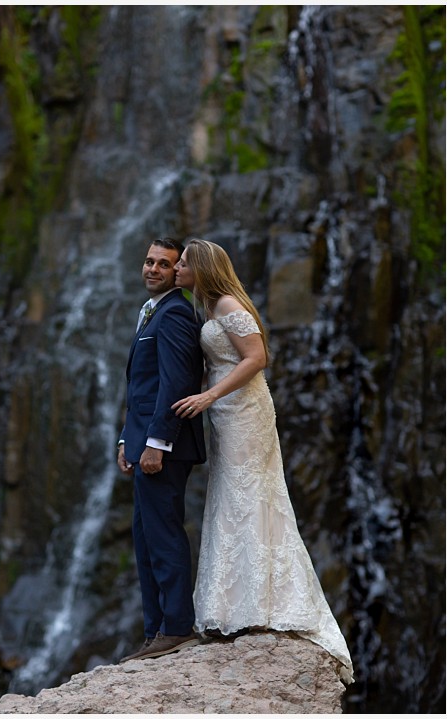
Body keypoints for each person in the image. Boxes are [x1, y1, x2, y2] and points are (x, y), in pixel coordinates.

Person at [171, 238, 353, 684]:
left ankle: (263, 602)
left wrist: (210, 393)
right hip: (225, 413)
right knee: (230, 494)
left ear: (204, 267)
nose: (176, 267)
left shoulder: (229, 303)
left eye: (183, 262)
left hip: (244, 410)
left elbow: (257, 357)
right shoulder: (209, 307)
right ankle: (233, 603)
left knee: (250, 491)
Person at [117, 237, 206, 662]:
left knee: (164, 533)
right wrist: (126, 439)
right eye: (149, 261)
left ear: (178, 272)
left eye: (164, 264)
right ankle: (156, 630)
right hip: (143, 442)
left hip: (164, 448)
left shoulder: (175, 315)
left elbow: (175, 383)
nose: (153, 268)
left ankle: (176, 627)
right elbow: (140, 387)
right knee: (144, 536)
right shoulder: (152, 312)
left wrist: (155, 444)